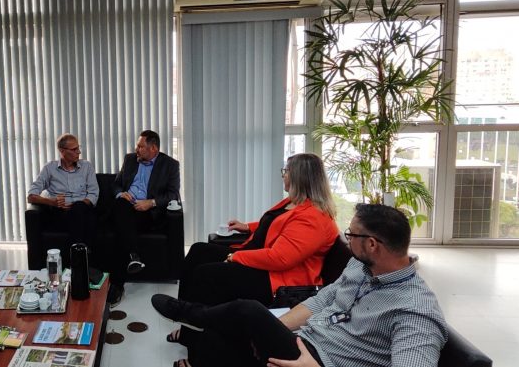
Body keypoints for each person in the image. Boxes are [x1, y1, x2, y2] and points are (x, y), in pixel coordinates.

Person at [151, 203, 448, 367]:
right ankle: (199, 336)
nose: (346, 240)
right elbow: (322, 300)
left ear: (372, 244)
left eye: (351, 235)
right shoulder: (360, 265)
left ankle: (190, 313)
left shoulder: (415, 312)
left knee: (248, 311)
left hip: (319, 362)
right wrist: (274, 328)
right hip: (304, 339)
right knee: (226, 336)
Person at [167, 152, 339, 345]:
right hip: (260, 258)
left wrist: (236, 257)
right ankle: (185, 320)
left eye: (286, 171)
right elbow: (276, 223)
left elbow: (280, 258)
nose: (283, 175)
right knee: (198, 251)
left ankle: (197, 341)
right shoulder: (294, 202)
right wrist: (248, 227)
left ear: (300, 177)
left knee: (206, 275)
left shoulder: (314, 218)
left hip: (276, 278)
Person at [109, 130, 180, 305]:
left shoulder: (170, 165)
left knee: (121, 229)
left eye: (141, 146)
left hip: (147, 213)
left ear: (153, 148)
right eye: (137, 146)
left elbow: (173, 194)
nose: (136, 149)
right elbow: (116, 184)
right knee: (121, 207)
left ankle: (117, 285)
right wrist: (121, 193)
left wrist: (151, 202)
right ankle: (132, 257)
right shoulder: (130, 160)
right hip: (126, 206)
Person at [27, 133, 99, 257]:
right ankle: (84, 255)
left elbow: (93, 193)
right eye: (74, 149)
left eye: (78, 148)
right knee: (88, 220)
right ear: (62, 151)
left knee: (81, 210)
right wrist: (52, 202)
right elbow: (31, 196)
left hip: (83, 209)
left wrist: (79, 206)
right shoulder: (49, 168)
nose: (79, 152)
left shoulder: (87, 167)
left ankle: (77, 254)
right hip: (61, 214)